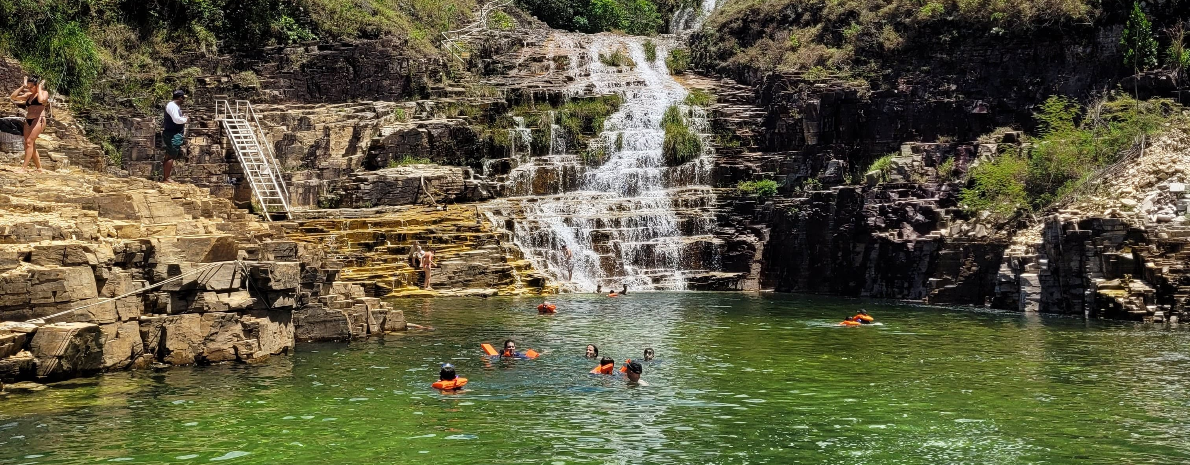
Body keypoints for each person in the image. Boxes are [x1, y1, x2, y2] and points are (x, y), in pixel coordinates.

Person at [10, 76, 48, 173]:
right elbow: (13, 96)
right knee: (30, 144)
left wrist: (39, 88)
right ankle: (39, 168)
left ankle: (24, 168)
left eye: (32, 87)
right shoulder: (28, 95)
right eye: (29, 86)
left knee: (29, 142)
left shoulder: (44, 93)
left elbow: (40, 100)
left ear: (37, 85)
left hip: (39, 119)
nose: (30, 88)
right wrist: (23, 86)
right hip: (29, 120)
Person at [161, 90, 189, 183]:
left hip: (171, 133)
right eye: (183, 98)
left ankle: (165, 177)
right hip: (173, 134)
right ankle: (167, 178)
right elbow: (176, 120)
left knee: (168, 154)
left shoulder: (173, 106)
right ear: (180, 98)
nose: (184, 100)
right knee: (171, 155)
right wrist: (185, 119)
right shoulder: (173, 106)